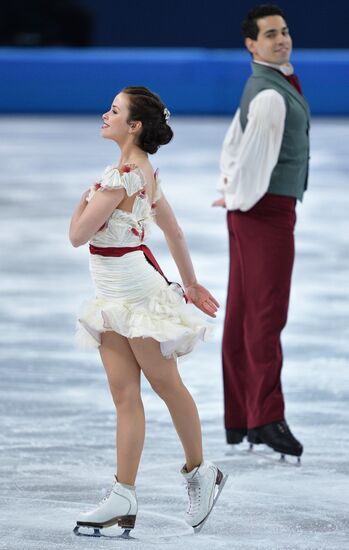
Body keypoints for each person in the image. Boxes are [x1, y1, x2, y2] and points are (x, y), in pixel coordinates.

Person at [69, 86, 226, 537]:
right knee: (125, 396)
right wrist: (191, 284)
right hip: (114, 300)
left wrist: (82, 200)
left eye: (114, 111)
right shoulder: (142, 173)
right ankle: (123, 493)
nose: (105, 114)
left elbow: (79, 235)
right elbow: (173, 232)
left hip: (138, 296)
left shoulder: (120, 178)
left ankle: (201, 472)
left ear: (134, 126)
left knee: (166, 385)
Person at [213, 4, 310, 459]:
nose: (282, 39)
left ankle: (242, 419)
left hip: (249, 211)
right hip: (265, 213)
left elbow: (233, 142)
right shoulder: (270, 95)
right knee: (266, 315)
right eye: (271, 34)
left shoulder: (262, 85)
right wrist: (237, 195)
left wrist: (228, 191)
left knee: (245, 313)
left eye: (285, 32)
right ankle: (266, 418)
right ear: (251, 44)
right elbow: (251, 159)